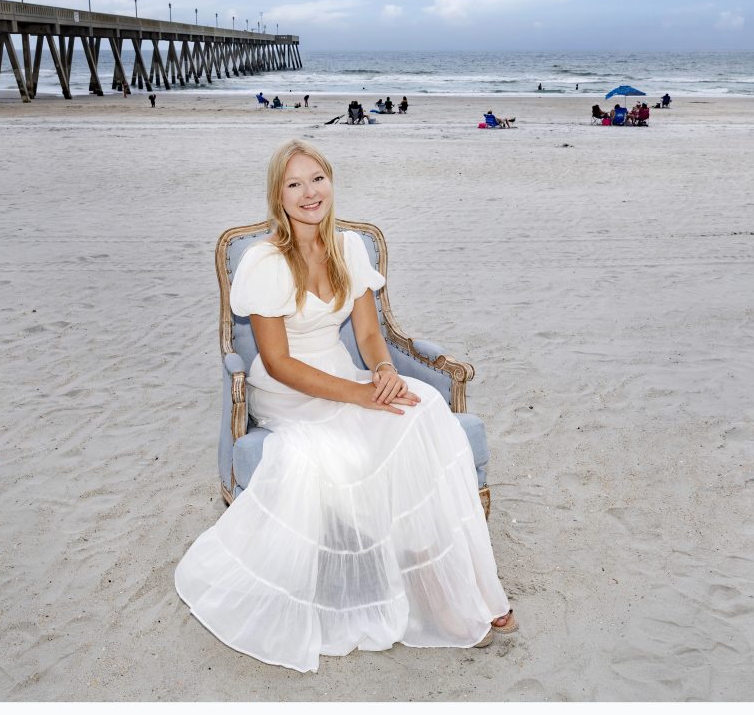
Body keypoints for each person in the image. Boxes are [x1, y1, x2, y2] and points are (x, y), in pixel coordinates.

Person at [175, 141, 511, 669]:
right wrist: (360, 395)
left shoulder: (349, 248)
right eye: (294, 184)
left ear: (331, 182)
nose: (309, 193)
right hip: (289, 389)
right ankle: (432, 593)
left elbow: (370, 333)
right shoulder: (264, 261)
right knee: (354, 451)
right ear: (278, 197)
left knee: (422, 407)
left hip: (340, 369)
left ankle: (451, 582)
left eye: (317, 179)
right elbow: (279, 362)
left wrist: (380, 373)